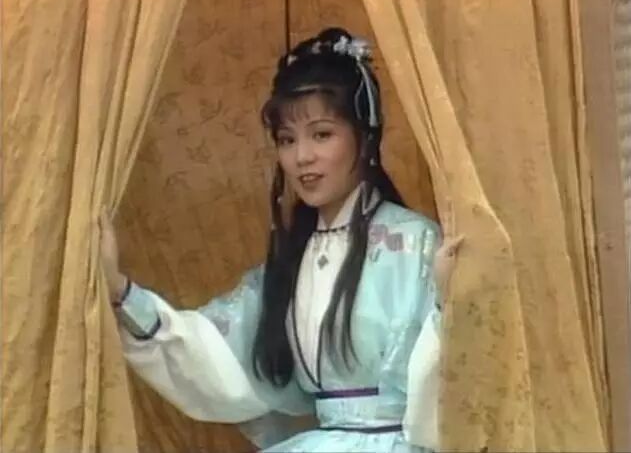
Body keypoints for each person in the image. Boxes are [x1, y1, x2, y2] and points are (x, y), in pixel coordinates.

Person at [100, 27, 463, 453]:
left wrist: (448, 302)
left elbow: (452, 383)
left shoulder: (417, 243)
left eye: (321, 134)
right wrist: (120, 292)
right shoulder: (292, 262)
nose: (302, 157)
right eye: (287, 140)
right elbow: (214, 354)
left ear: (364, 137)